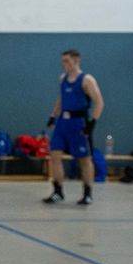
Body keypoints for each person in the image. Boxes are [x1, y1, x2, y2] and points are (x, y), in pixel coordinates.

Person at [44, 49, 105, 205]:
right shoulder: (63, 78)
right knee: (55, 155)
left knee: (84, 159)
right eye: (62, 60)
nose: (63, 63)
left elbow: (99, 102)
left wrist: (92, 124)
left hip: (78, 123)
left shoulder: (87, 80)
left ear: (76, 60)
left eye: (67, 60)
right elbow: (61, 98)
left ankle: (87, 193)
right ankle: (58, 191)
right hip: (63, 122)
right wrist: (53, 115)